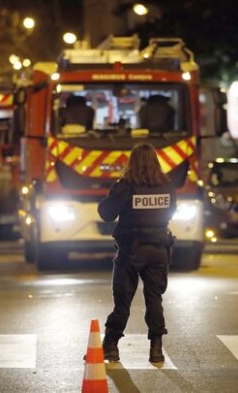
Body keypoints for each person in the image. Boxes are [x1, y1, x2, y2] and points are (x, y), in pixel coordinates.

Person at [98, 143, 176, 363]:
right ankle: (156, 349)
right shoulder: (166, 186)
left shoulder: (126, 186)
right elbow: (172, 210)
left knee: (122, 301)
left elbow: (106, 213)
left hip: (131, 251)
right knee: (154, 299)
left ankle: (111, 345)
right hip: (159, 250)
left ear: (131, 162)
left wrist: (113, 192)